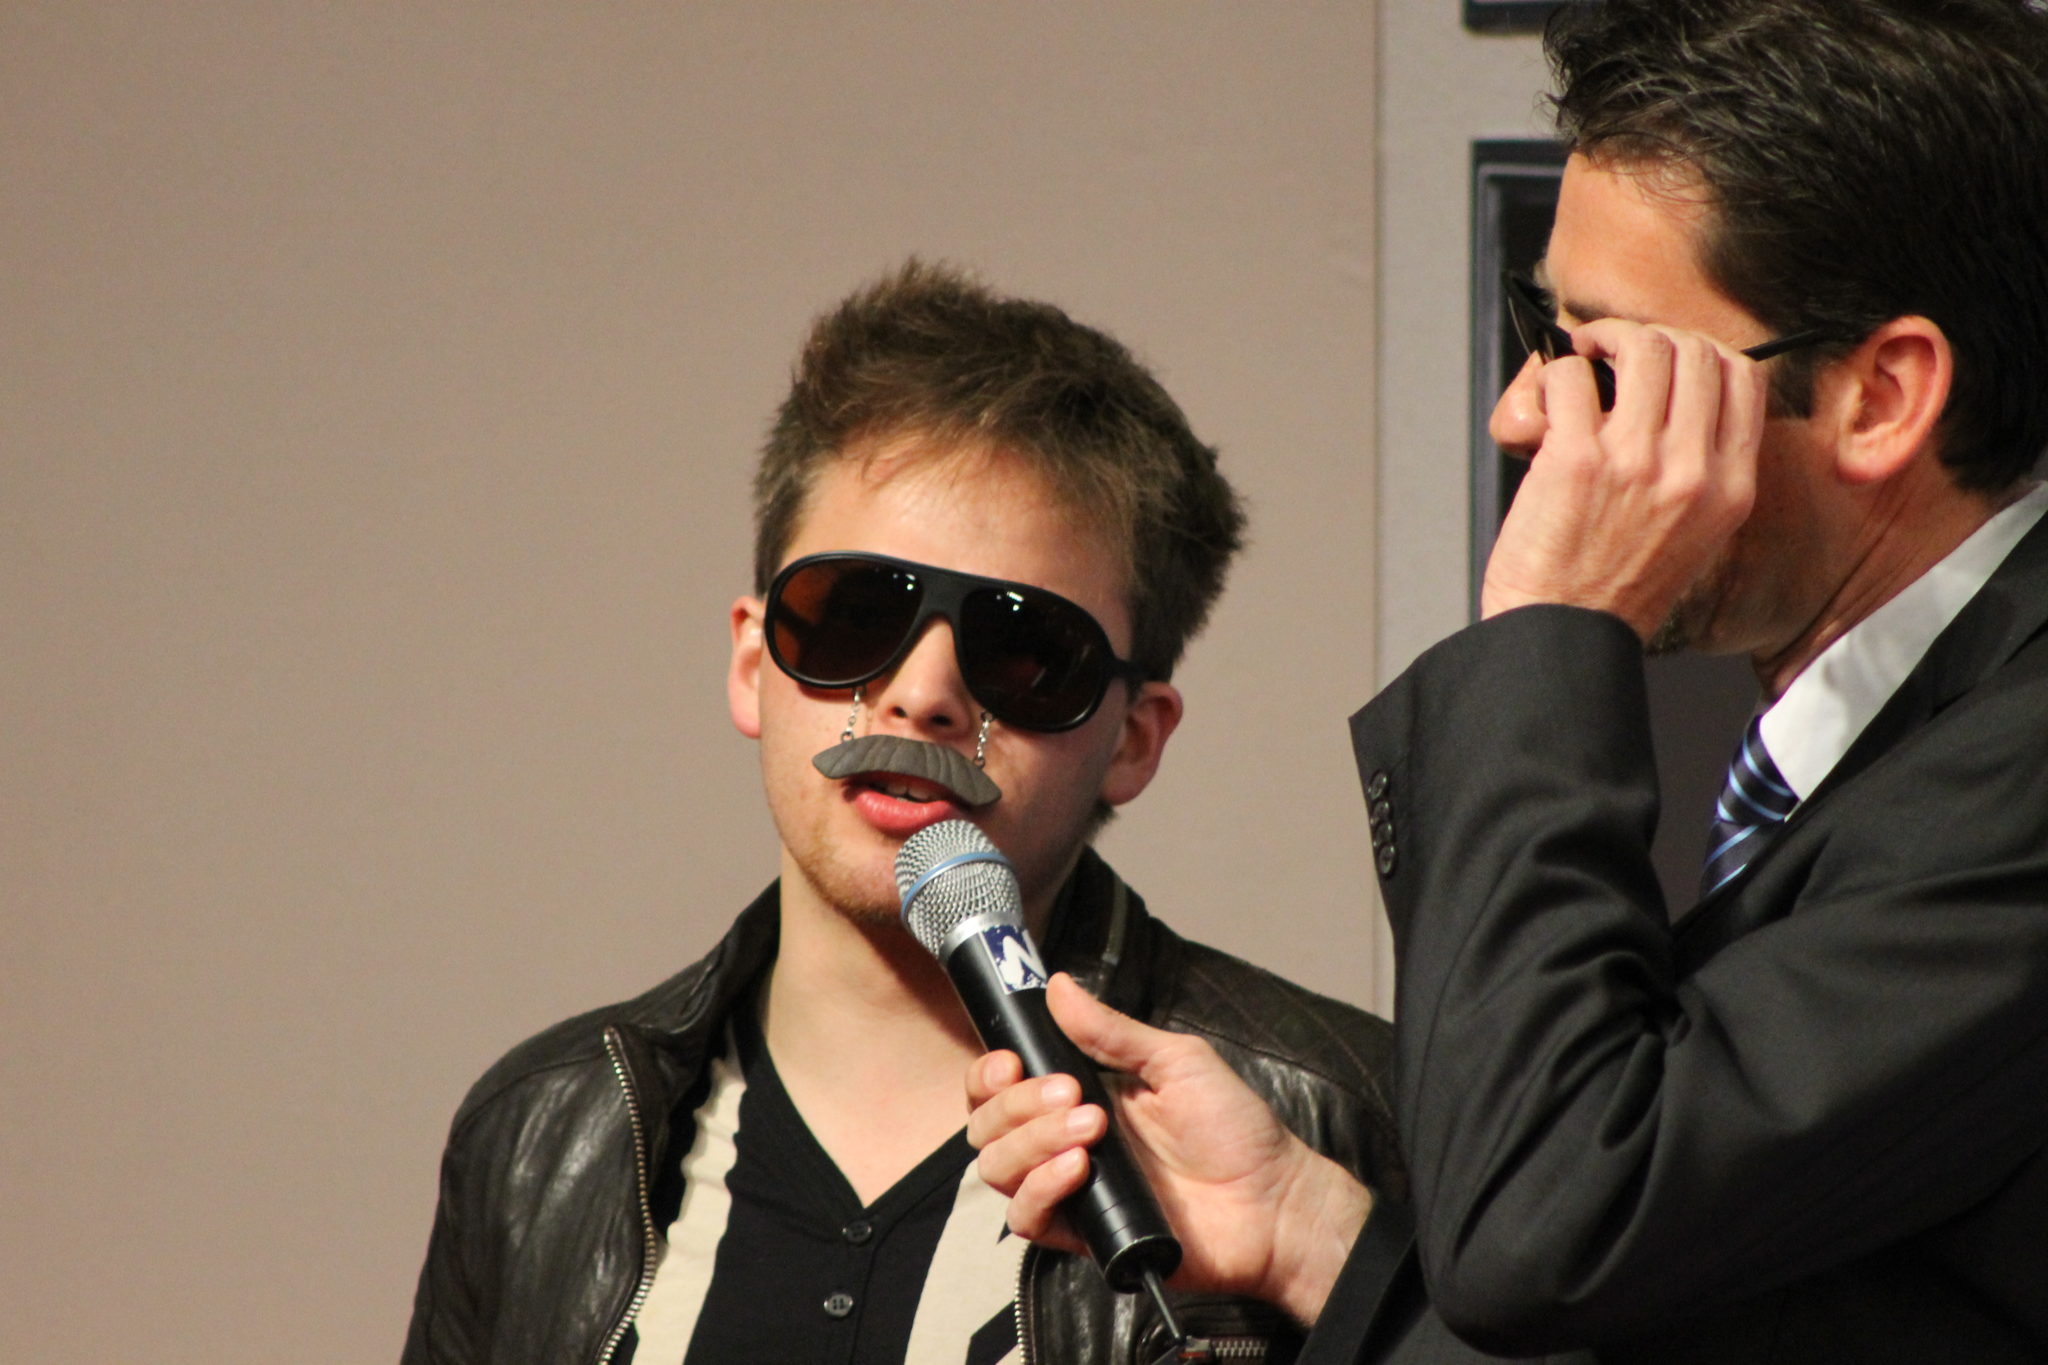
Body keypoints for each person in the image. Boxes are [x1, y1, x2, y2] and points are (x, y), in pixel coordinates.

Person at [968, 1, 2048, 1360]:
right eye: (1538, 325)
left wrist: (1553, 621)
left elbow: (1541, 1228)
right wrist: (1307, 1230)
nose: (1521, 413)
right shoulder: (1888, 747)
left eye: (1597, 358)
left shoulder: (2016, 773)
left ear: (1879, 397)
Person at [401, 261, 1414, 1365]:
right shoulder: (541, 1136)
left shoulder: (1343, 1127)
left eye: (1022, 651)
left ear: (1133, 739)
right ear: (751, 662)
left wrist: (1329, 1252)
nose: (922, 693)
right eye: (852, 616)